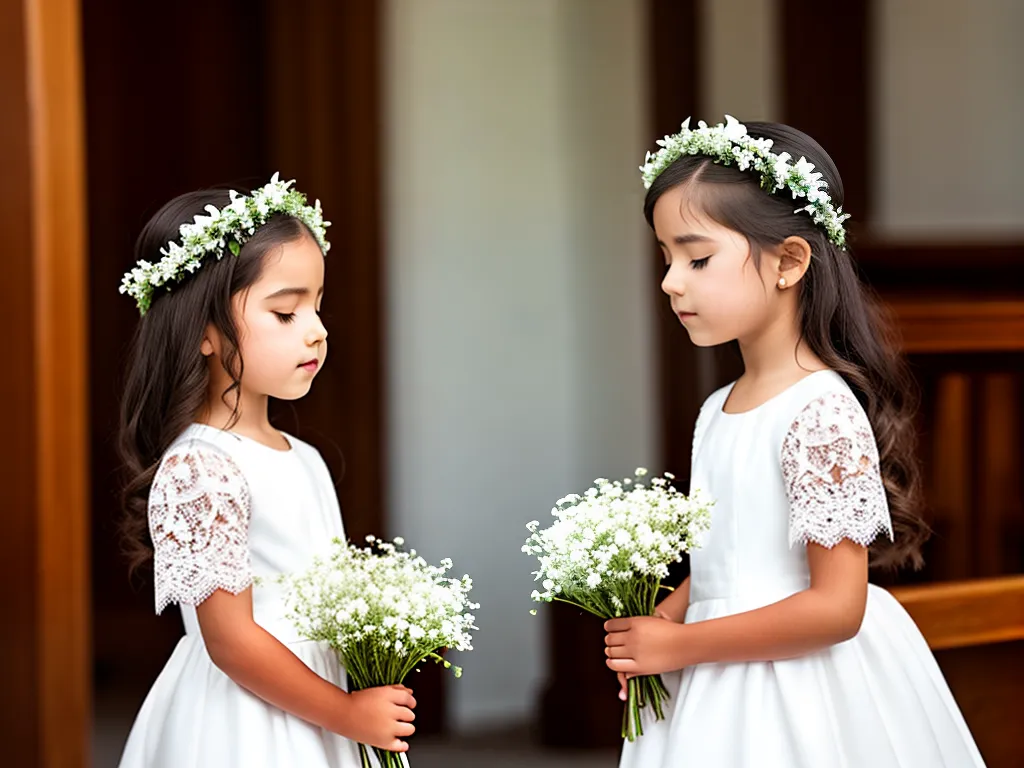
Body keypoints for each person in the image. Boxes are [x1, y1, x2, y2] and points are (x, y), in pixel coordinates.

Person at [604, 118, 986, 767]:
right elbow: (731, 553)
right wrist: (669, 612)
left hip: (797, 687)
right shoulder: (715, 410)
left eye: (697, 258)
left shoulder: (820, 412)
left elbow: (837, 607)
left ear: (788, 261)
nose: (672, 281)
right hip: (719, 676)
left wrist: (684, 646)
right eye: (666, 258)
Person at [116, 174, 415, 767]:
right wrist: (347, 713)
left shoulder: (303, 458)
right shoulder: (202, 468)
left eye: (318, 305)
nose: (317, 328)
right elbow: (231, 640)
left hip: (318, 701)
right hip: (247, 718)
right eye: (285, 312)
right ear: (203, 332)